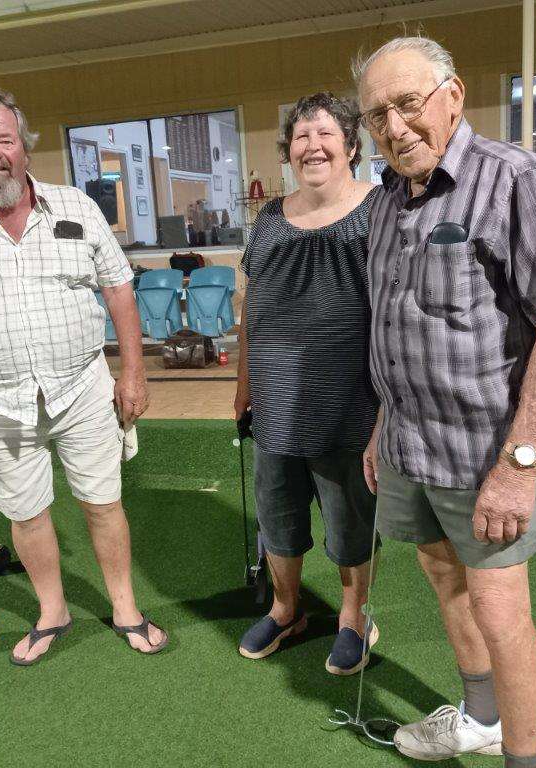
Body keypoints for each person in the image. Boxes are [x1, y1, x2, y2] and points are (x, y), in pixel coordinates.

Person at [355, 37, 536, 766]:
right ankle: (480, 720)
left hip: (486, 452)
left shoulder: (513, 177)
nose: (394, 127)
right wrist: (381, 428)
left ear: (453, 96)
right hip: (407, 447)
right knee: (440, 573)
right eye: (377, 115)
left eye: (408, 104)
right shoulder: (389, 199)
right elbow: (400, 324)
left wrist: (519, 463)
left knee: (499, 610)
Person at [0, 80, 168, 665]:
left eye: (5, 138)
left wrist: (134, 373)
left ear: (25, 147)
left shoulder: (77, 207)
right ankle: (54, 611)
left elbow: (119, 290)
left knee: (103, 502)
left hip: (82, 386)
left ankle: (124, 606)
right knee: (25, 512)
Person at [234, 92, 381, 675]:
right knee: (279, 518)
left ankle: (353, 614)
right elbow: (255, 309)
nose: (312, 145)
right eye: (300, 136)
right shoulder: (269, 219)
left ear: (350, 144)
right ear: (288, 150)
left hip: (352, 402)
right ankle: (286, 607)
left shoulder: (380, 209)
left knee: (351, 523)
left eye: (325, 133)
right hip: (277, 402)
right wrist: (244, 385)